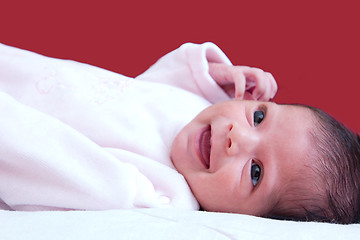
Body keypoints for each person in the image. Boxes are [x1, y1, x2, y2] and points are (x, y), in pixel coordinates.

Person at [0, 42, 358, 224]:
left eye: (255, 172)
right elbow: (152, 86)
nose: (237, 136)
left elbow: (43, 157)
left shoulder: (161, 194)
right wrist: (212, 76)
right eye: (260, 117)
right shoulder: (198, 113)